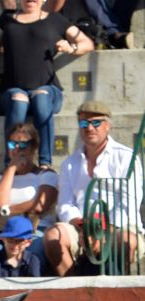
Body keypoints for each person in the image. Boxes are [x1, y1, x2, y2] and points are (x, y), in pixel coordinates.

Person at [0, 0, 93, 171]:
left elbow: (87, 43)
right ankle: (11, 163)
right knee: (18, 99)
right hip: (13, 89)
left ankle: (45, 163)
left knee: (41, 96)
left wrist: (71, 47)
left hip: (47, 88)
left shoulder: (55, 19)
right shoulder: (6, 19)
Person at [44, 100, 144, 276]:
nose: (89, 128)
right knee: (53, 236)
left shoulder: (126, 157)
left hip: (117, 227)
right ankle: (74, 286)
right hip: (80, 227)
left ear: (108, 125)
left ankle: (115, 287)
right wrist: (84, 228)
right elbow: (65, 204)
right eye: (84, 123)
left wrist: (104, 231)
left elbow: (129, 203)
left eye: (95, 122)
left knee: (127, 241)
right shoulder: (69, 163)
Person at [0, 122, 58, 274]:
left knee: (35, 255)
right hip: (1, 231)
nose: (17, 149)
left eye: (23, 145)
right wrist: (12, 168)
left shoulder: (46, 175)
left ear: (34, 147)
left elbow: (39, 205)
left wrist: (4, 211)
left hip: (34, 230)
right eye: (12, 144)